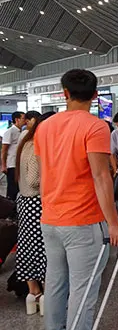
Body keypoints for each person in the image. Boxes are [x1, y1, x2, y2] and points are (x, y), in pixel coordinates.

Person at [34, 69, 118, 330]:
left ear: (64, 93)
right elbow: (101, 176)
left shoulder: (44, 127)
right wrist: (113, 222)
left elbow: (43, 174)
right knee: (83, 289)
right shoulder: (95, 126)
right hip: (83, 221)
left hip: (50, 219)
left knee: (55, 282)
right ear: (95, 95)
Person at [15, 111, 54, 316]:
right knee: (46, 250)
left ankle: (34, 294)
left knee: (28, 249)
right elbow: (33, 180)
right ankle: (49, 296)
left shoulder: (25, 142)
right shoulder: (37, 145)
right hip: (37, 203)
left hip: (24, 202)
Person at [2, 111, 25, 200]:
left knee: (17, 186)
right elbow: (4, 150)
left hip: (18, 163)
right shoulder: (10, 132)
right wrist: (4, 165)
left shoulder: (21, 132)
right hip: (11, 164)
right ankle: (10, 207)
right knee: (12, 188)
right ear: (17, 119)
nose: (25, 120)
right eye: (23, 118)